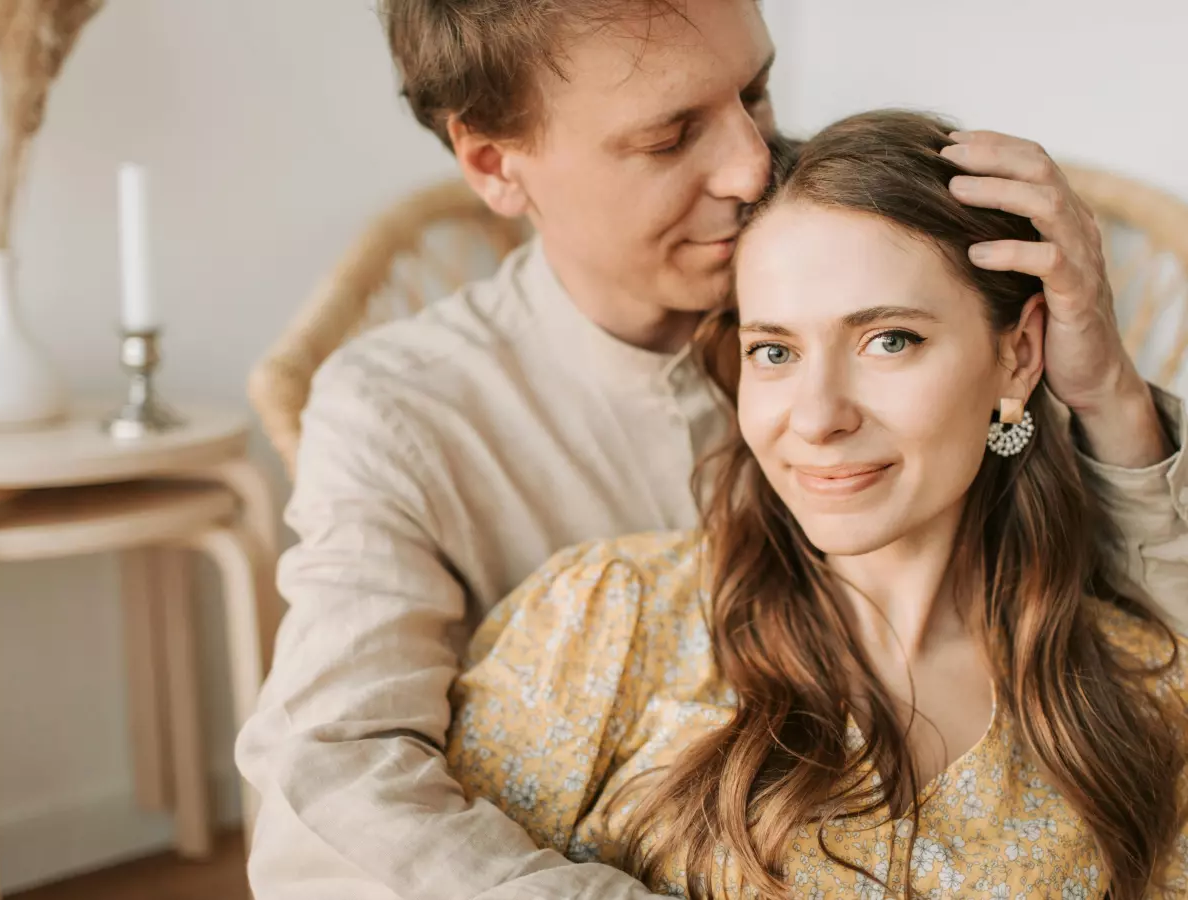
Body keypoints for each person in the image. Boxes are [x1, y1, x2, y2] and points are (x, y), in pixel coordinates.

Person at [235, 2, 1188, 897]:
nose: (750, 168)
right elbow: (331, 781)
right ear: (493, 165)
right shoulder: (407, 416)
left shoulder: (865, 249)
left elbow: (1133, 649)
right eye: (669, 135)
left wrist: (1107, 394)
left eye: (757, 93)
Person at [447, 111, 1188, 900]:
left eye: (889, 340)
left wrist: (1110, 392)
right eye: (775, 351)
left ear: (1020, 354)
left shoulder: (1140, 693)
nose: (816, 415)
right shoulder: (608, 621)